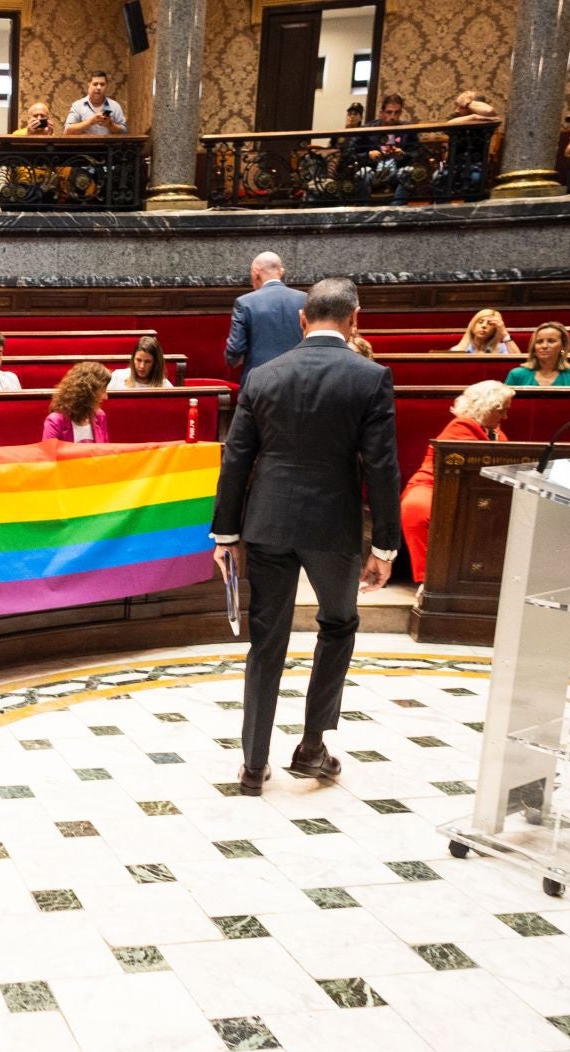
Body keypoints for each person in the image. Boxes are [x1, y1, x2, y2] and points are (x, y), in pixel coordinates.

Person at [211, 278, 402, 797]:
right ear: (355, 318)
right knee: (337, 626)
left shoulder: (263, 375)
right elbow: (382, 467)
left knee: (265, 641)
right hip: (332, 526)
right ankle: (312, 747)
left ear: (302, 319)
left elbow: (236, 459)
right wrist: (385, 545)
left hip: (267, 522)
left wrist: (226, 533)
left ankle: (252, 764)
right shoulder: (370, 377)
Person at [400, 380, 512, 580]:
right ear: (485, 408)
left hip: (474, 489)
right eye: (501, 410)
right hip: (433, 484)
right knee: (416, 509)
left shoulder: (492, 430)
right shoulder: (461, 427)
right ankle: (429, 580)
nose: (505, 416)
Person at [224, 251, 307, 387]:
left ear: (256, 273)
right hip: (298, 382)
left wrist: (231, 360)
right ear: (281, 272)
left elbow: (235, 349)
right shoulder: (305, 299)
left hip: (258, 384)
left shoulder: (245, 302)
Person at [43, 362, 112, 442]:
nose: (106, 397)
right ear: (88, 393)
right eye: (102, 391)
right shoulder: (56, 421)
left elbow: (106, 452)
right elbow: (49, 453)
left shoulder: (100, 416)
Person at [505, 321, 570, 386]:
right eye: (539, 342)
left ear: (563, 346)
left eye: (551, 341)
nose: (544, 346)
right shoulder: (516, 375)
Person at [63, 71, 127, 135]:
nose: (98, 87)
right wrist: (91, 122)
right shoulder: (78, 106)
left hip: (108, 144)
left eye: (102, 84)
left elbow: (124, 132)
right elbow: (67, 130)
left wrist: (111, 125)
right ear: (89, 84)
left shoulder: (114, 106)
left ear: (106, 86)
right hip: (85, 144)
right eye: (95, 84)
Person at [452, 308, 519, 355]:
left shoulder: (502, 349)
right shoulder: (457, 350)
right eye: (480, 322)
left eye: (490, 324)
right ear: (472, 326)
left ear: (494, 331)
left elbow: (518, 363)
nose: (484, 326)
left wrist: (504, 333)